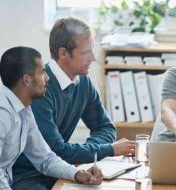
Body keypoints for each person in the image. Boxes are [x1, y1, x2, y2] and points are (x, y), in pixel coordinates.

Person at [12, 17, 135, 189]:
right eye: (86, 52)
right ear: (63, 53)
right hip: (25, 176)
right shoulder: (38, 88)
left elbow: (105, 127)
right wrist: (109, 149)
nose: (93, 58)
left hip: (61, 169)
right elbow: (56, 150)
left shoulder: (83, 82)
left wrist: (87, 152)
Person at [0, 46, 103, 190]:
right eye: (42, 72)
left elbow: (45, 159)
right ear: (27, 80)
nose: (47, 78)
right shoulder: (0, 113)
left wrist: (78, 174)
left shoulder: (24, 111)